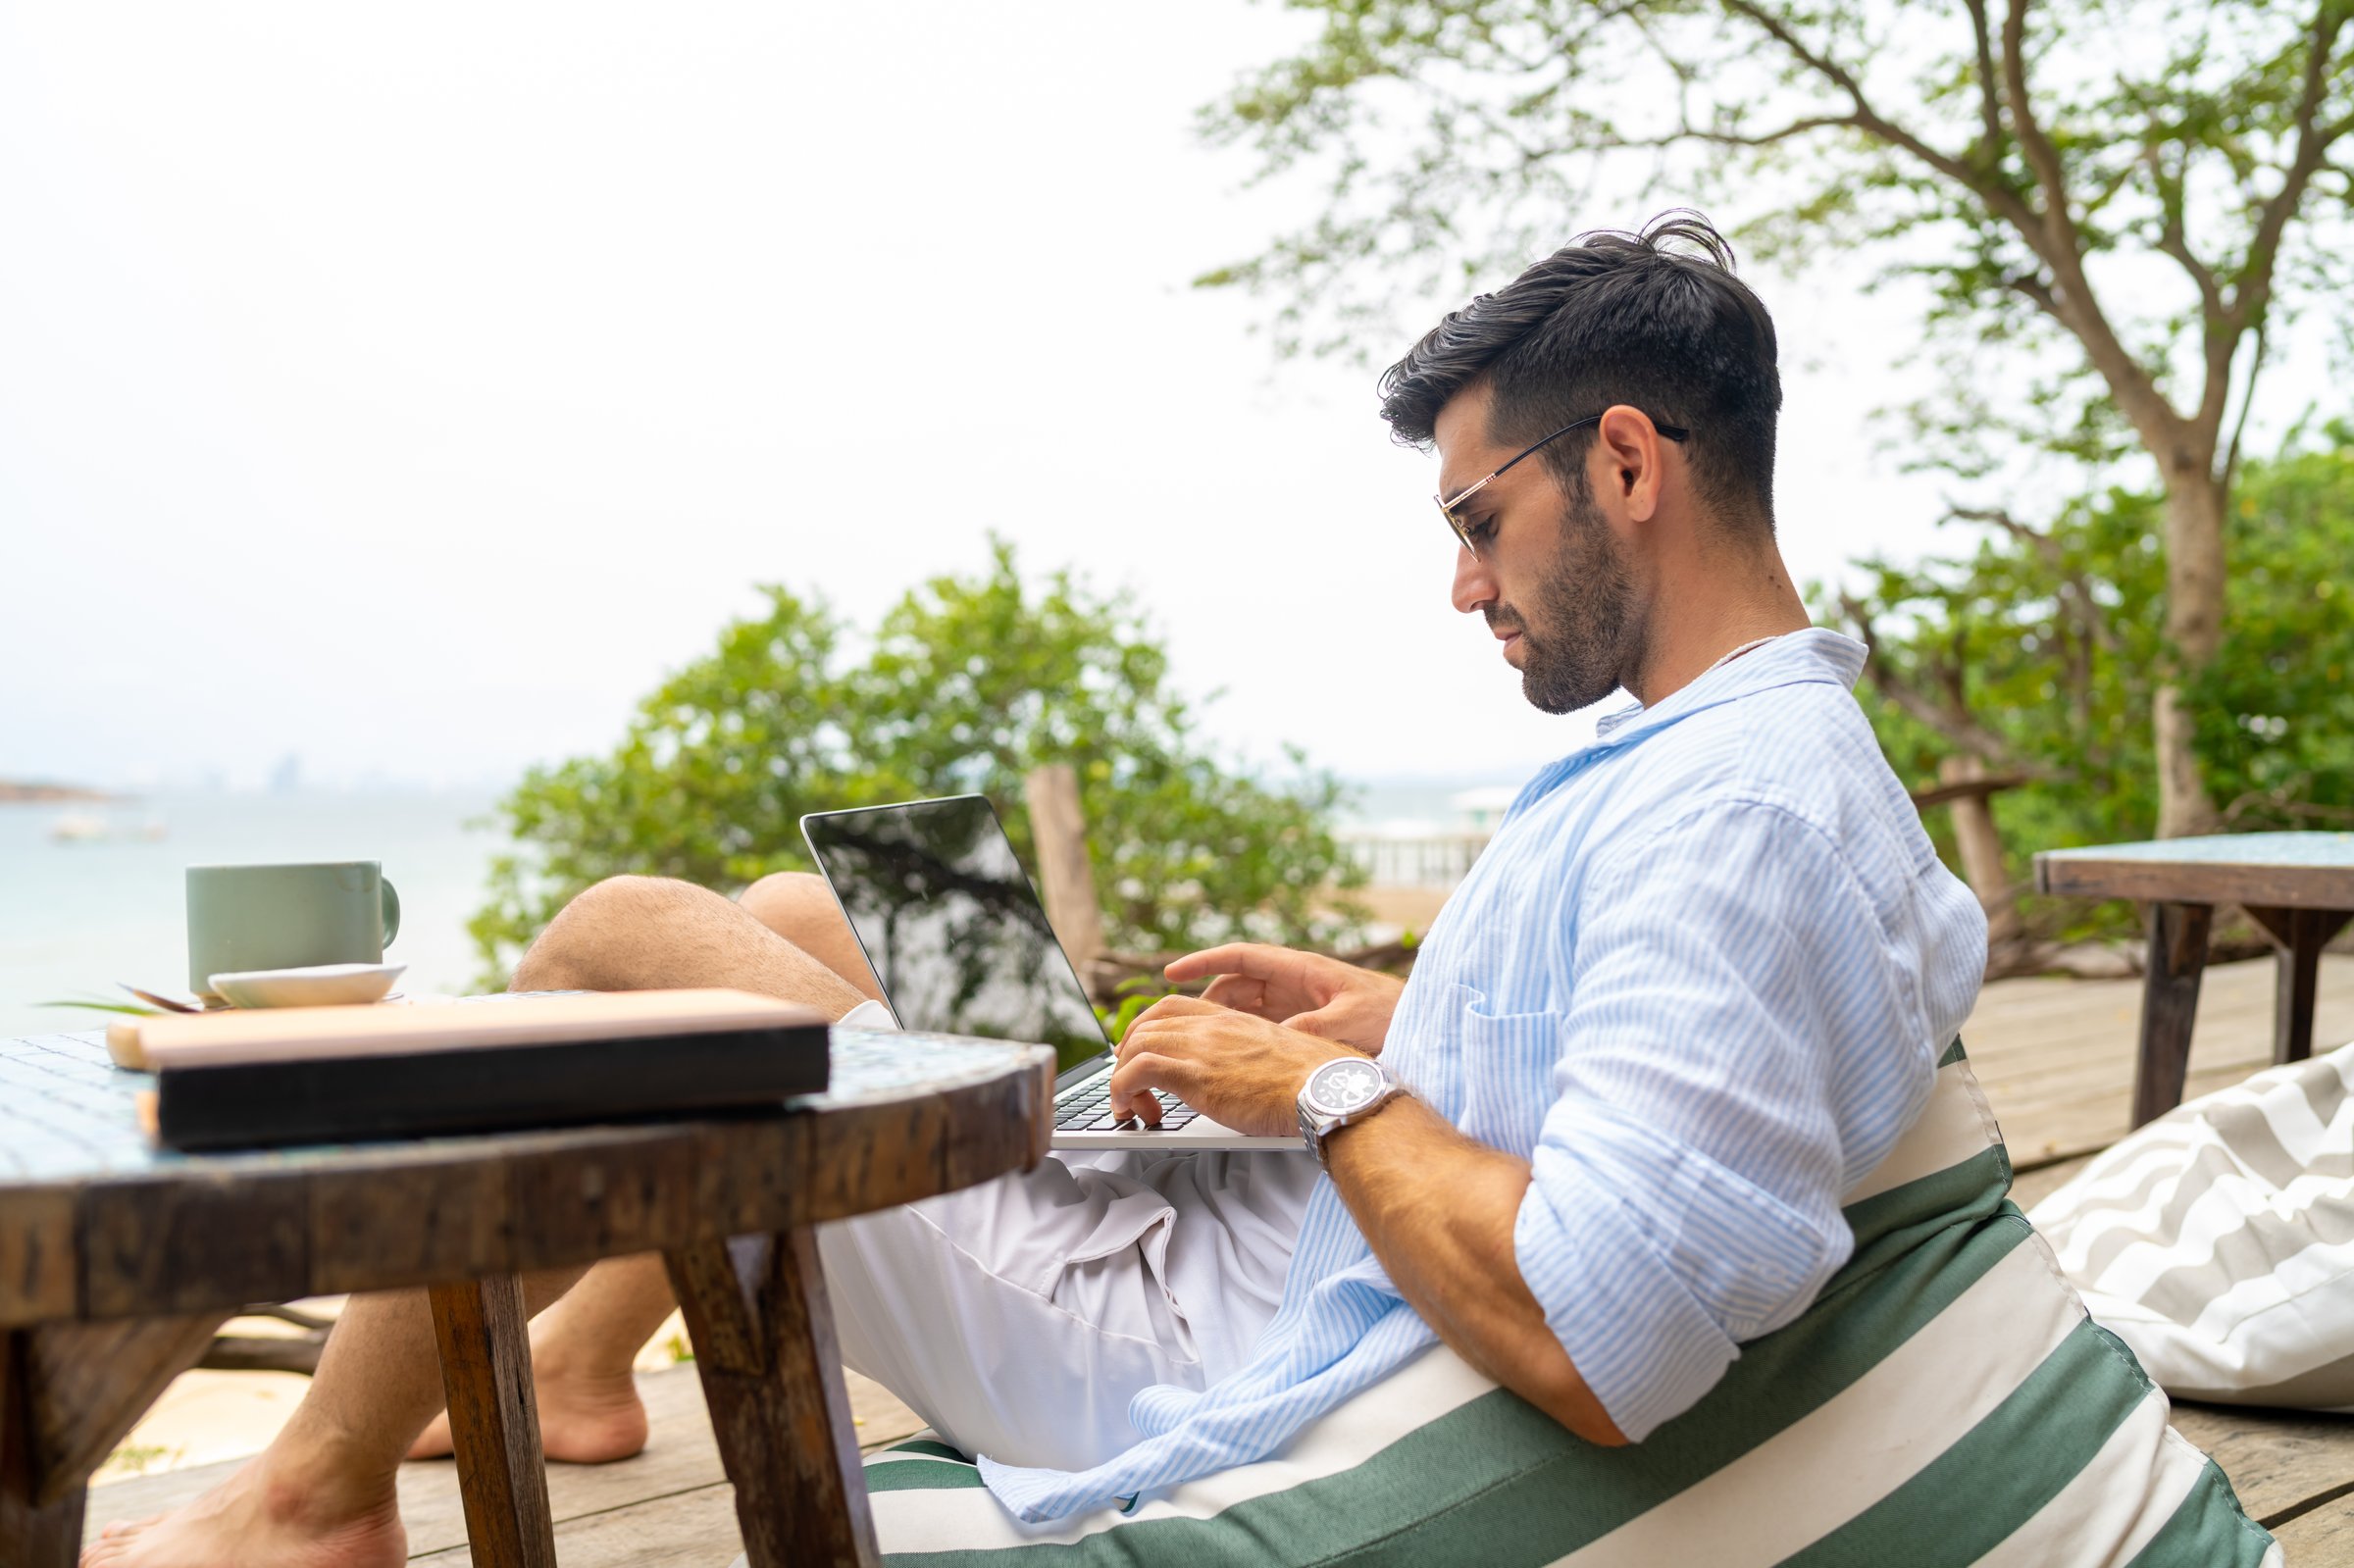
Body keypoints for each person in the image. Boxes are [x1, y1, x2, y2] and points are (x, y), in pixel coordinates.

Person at [82, 212, 2180, 1566]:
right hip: (1228, 1219)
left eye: (1480, 517)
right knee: (814, 917)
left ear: (1627, 461)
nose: (1462, 579)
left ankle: (315, 1491)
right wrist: (1370, 1013)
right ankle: (563, 1369)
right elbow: (1622, 1058)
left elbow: (1602, 1321)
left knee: (625, 930)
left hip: (1183, 1326)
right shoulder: (1737, 763)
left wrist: (1319, 1099)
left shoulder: (1739, 810)